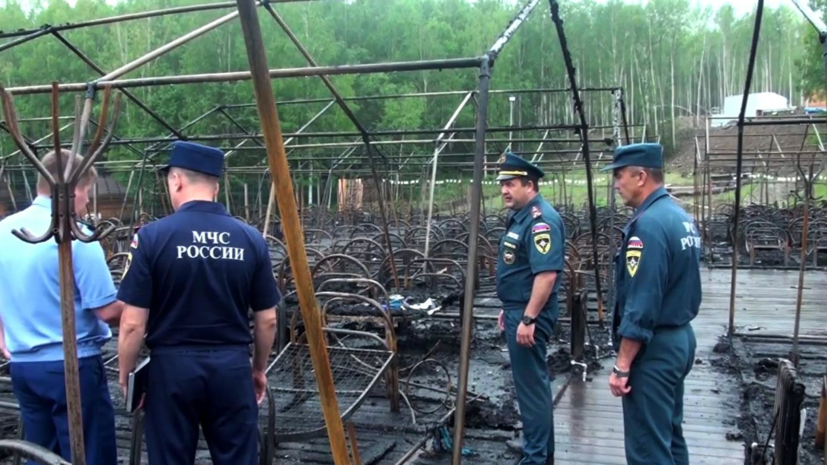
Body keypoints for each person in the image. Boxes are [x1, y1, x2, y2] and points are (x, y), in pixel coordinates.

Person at [117, 141, 281, 465]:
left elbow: (133, 323)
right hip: (231, 367)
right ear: (216, 187)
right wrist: (258, 369)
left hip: (171, 370)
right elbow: (268, 320)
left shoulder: (151, 237)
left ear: (176, 180)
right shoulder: (251, 239)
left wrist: (126, 373)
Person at [0, 149, 122, 464]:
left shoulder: (4, 231)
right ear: (73, 190)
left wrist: (4, 339)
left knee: (41, 453)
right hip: (71, 366)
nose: (86, 203)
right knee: (88, 453)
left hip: (24, 366)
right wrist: (143, 302)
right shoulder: (75, 235)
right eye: (87, 194)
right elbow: (106, 310)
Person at [602, 143, 702, 465]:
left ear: (641, 176)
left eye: (620, 176)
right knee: (670, 438)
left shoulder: (648, 226)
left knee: (648, 449)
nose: (617, 184)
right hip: (680, 339)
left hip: (654, 348)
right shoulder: (679, 216)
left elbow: (642, 303)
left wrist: (622, 365)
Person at [495, 152, 565, 465]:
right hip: (518, 309)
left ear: (530, 185)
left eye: (510, 184)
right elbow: (522, 270)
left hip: (528, 316)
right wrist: (510, 306)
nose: (504, 190)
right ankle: (540, 452)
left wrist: (527, 317)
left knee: (531, 389)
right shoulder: (523, 216)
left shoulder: (540, 221)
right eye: (502, 185)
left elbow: (546, 274)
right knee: (533, 386)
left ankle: (535, 457)